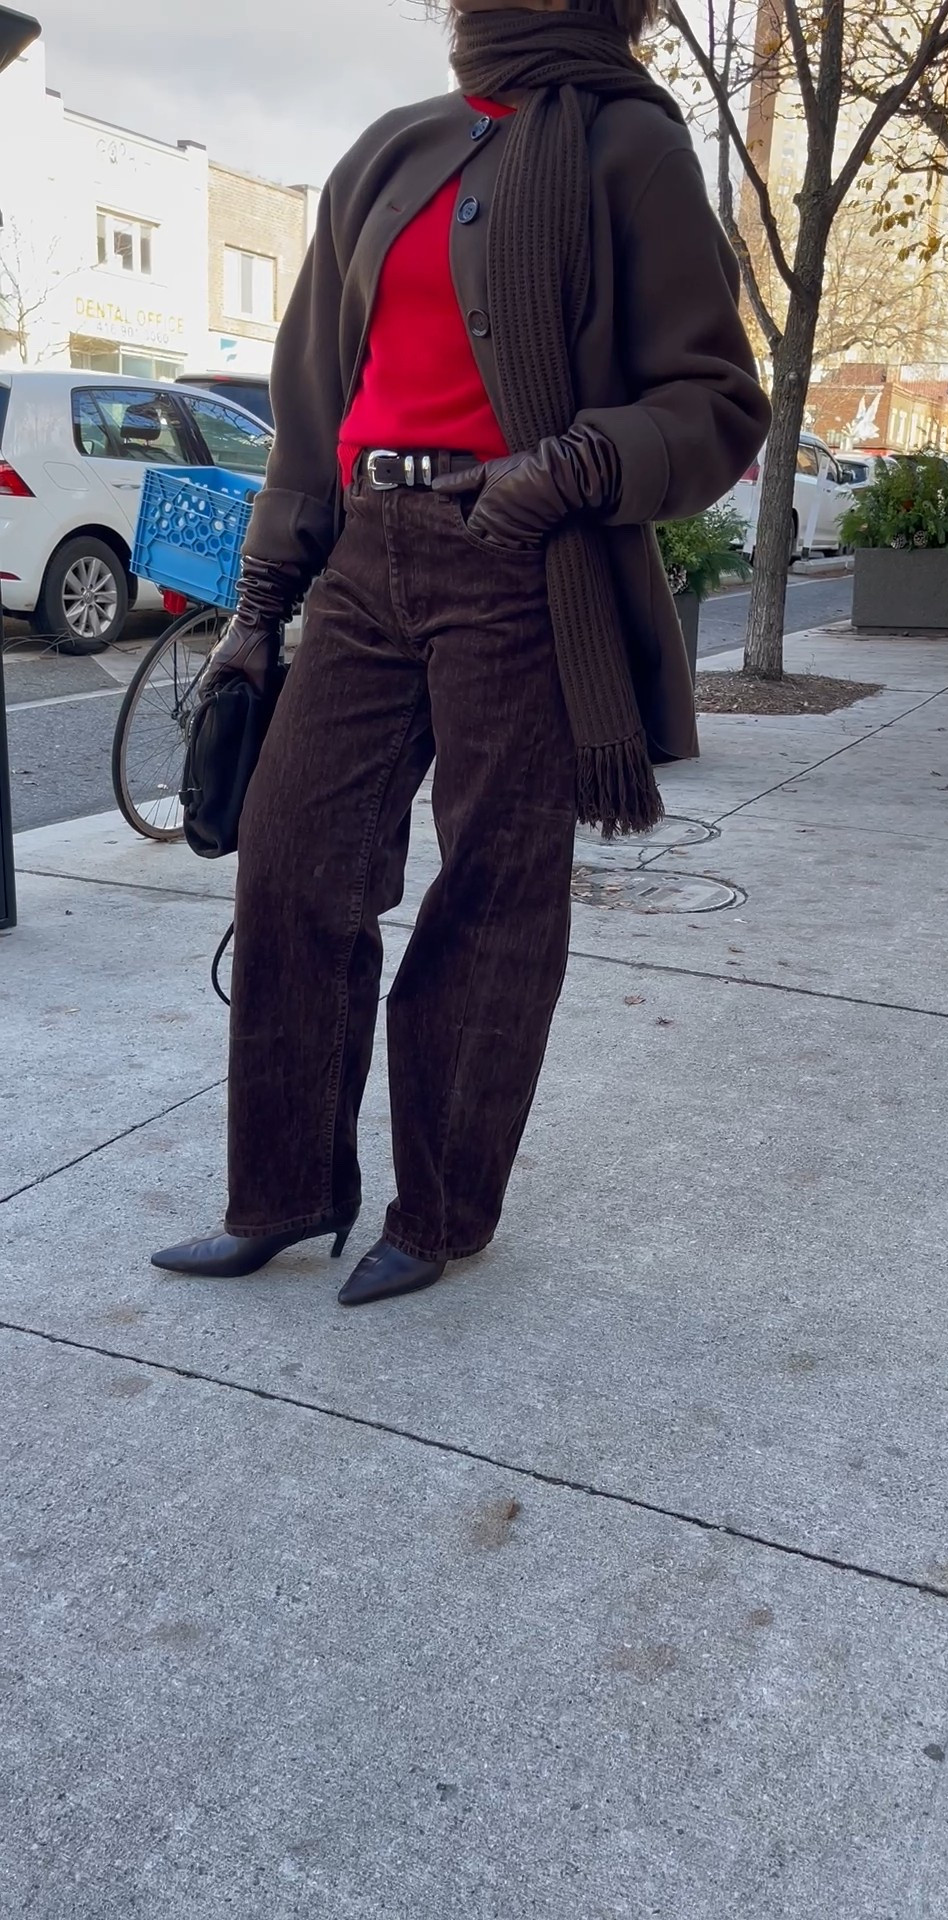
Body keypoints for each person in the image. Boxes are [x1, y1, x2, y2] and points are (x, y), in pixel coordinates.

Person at [152, 0, 771, 1305]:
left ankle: (438, 1215)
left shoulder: (630, 148)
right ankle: (282, 1192)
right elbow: (312, 399)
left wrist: (564, 472)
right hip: (363, 550)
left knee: (492, 895)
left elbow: (715, 400)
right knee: (292, 860)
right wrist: (260, 606)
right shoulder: (394, 146)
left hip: (521, 557)